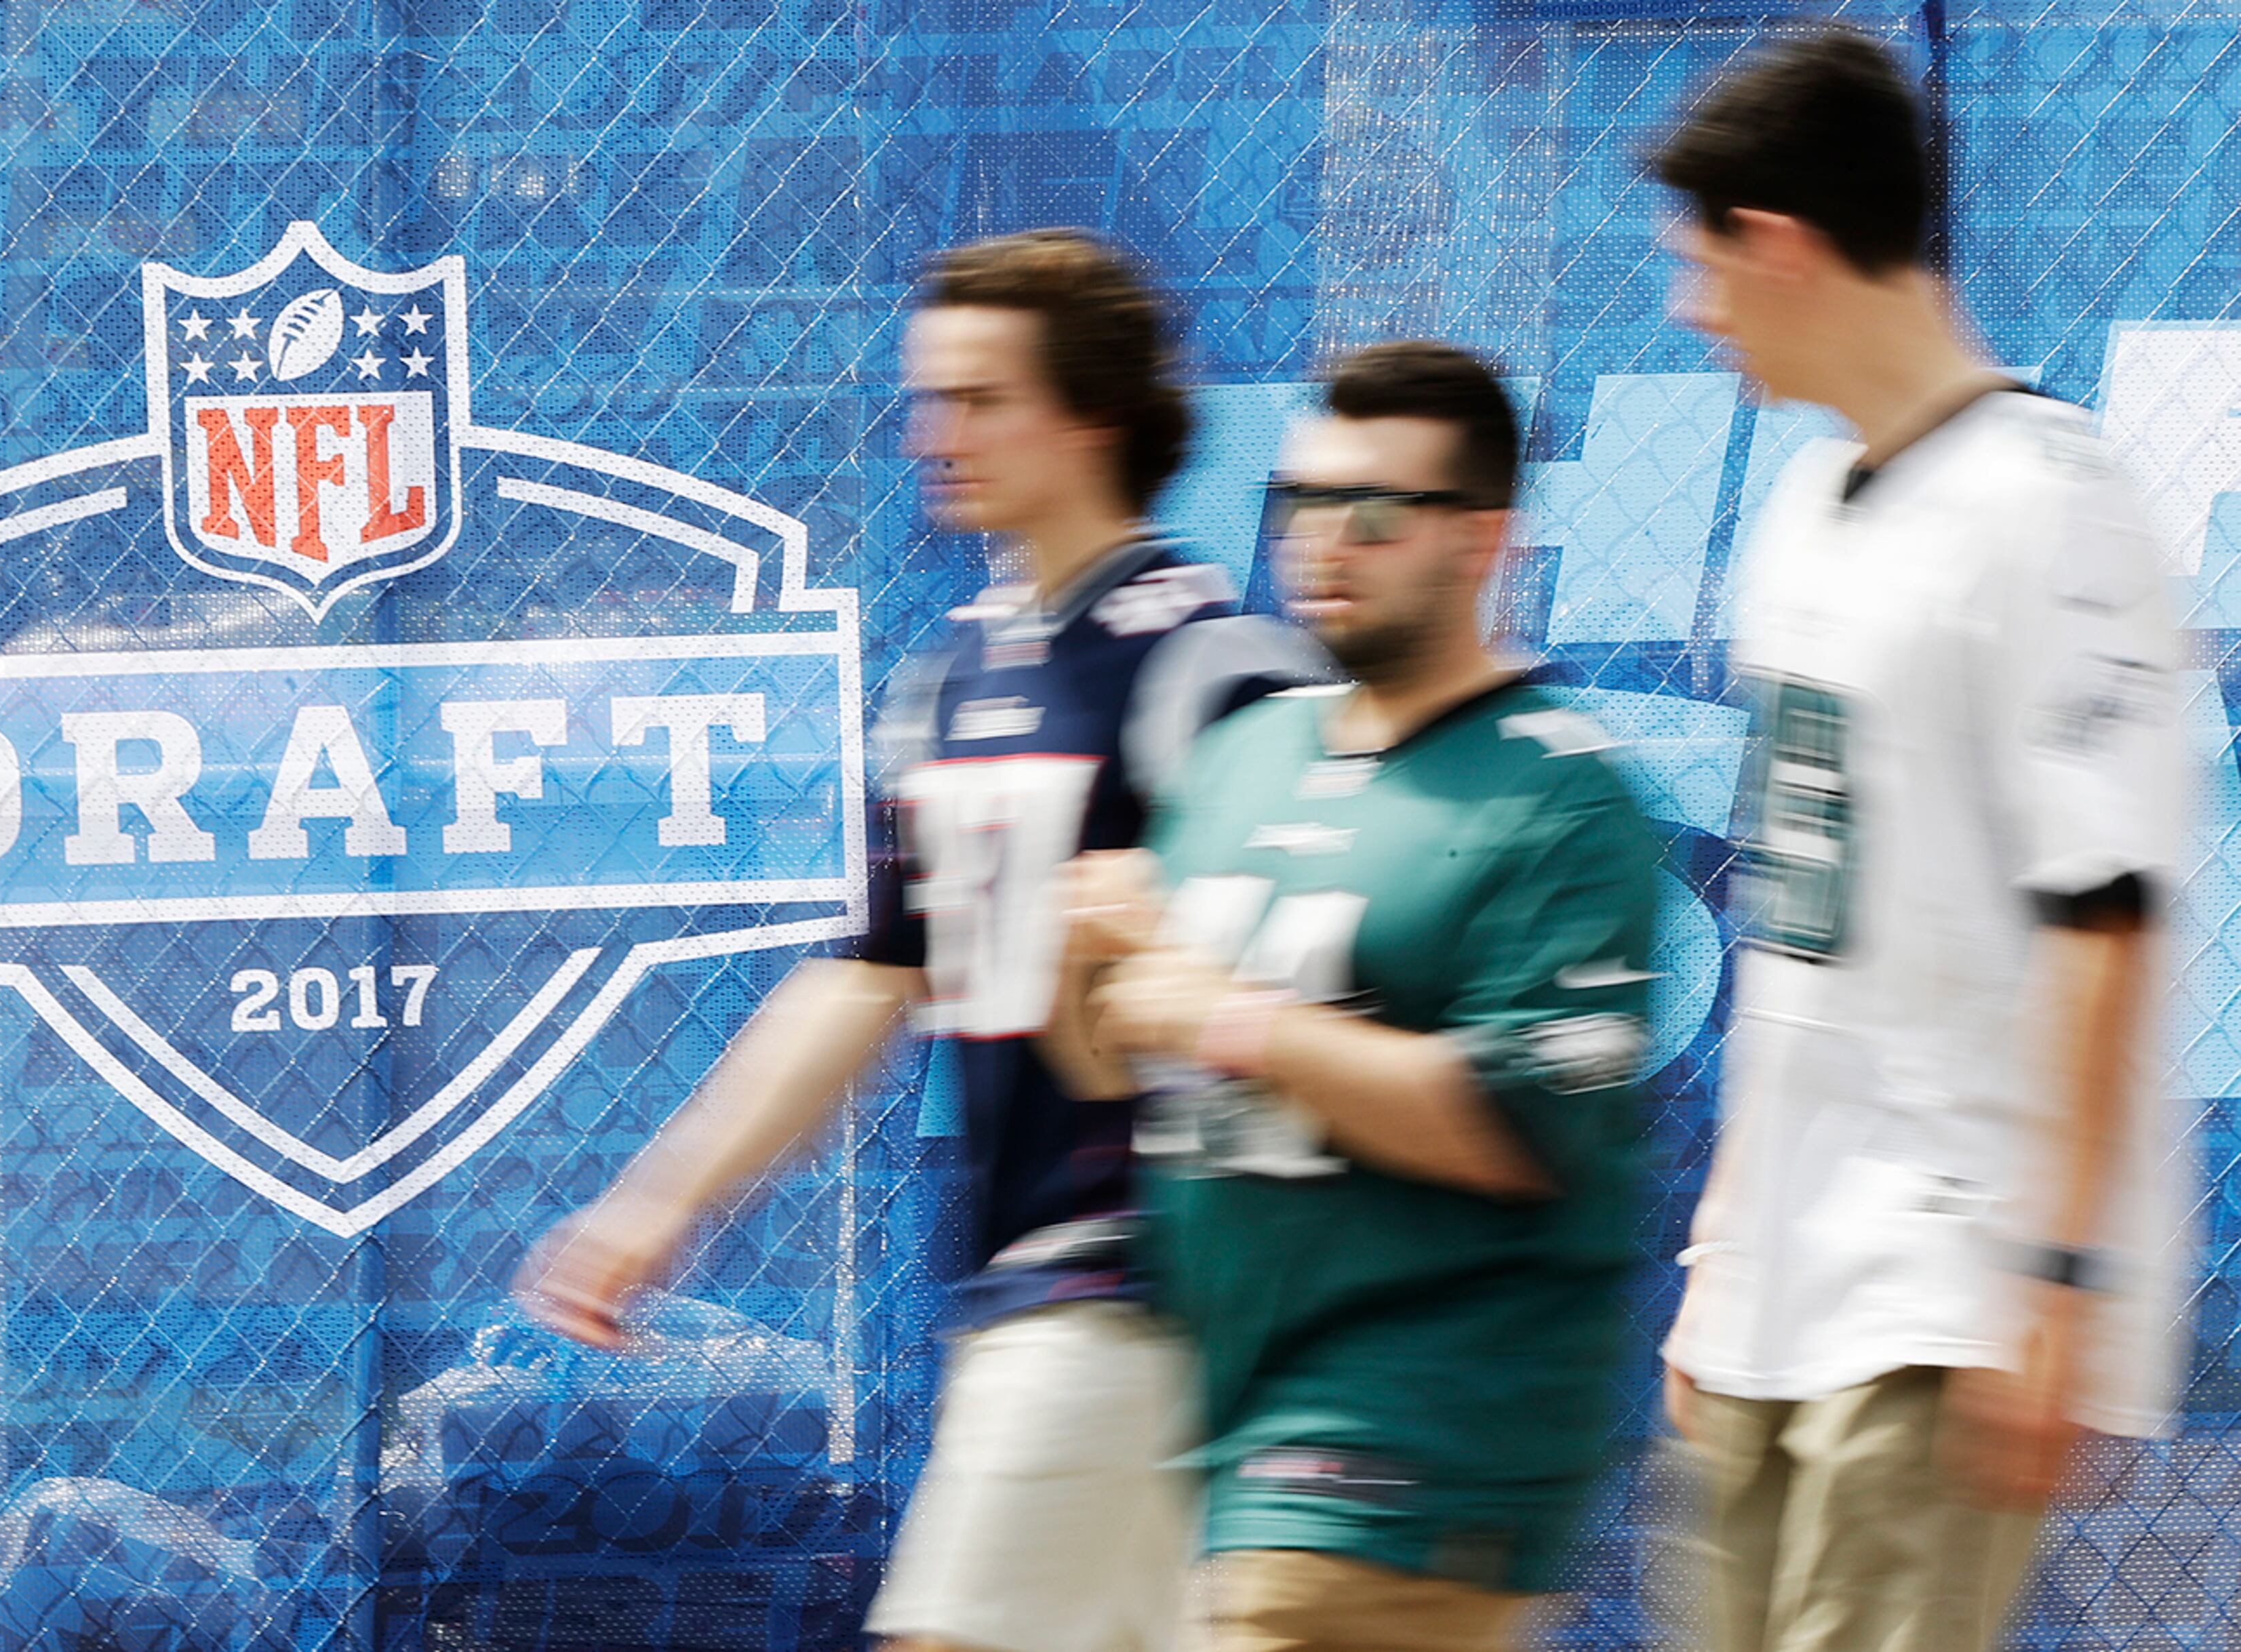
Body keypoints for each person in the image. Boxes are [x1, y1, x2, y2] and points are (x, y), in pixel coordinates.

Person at [516, 227, 1328, 1652]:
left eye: (978, 399)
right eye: (926, 397)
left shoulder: (1215, 666)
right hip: (1044, 1295)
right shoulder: (953, 681)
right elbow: (867, 974)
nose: (931, 433)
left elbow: (1315, 980)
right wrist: (664, 1198)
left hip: (1148, 1281)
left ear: (1094, 418)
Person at [1650, 29, 2188, 1652]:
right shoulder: (1807, 511)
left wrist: (2055, 1275)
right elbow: (1801, 935)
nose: (1689, 312)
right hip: (1775, 1285)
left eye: (1701, 267)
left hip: (1947, 1283)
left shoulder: (2056, 505)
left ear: (1783, 246)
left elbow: (2106, 918)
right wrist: (1722, 1243)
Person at [1067, 340, 1661, 1652]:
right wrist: (1088, 955)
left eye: (1375, 511)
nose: (1326, 541)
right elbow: (1118, 1059)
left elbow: (1518, 1124)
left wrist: (1222, 1013)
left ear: (1484, 539)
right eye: (1303, 505)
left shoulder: (1561, 797)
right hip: (1230, 1421)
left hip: (1418, 1432)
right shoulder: (1245, 755)